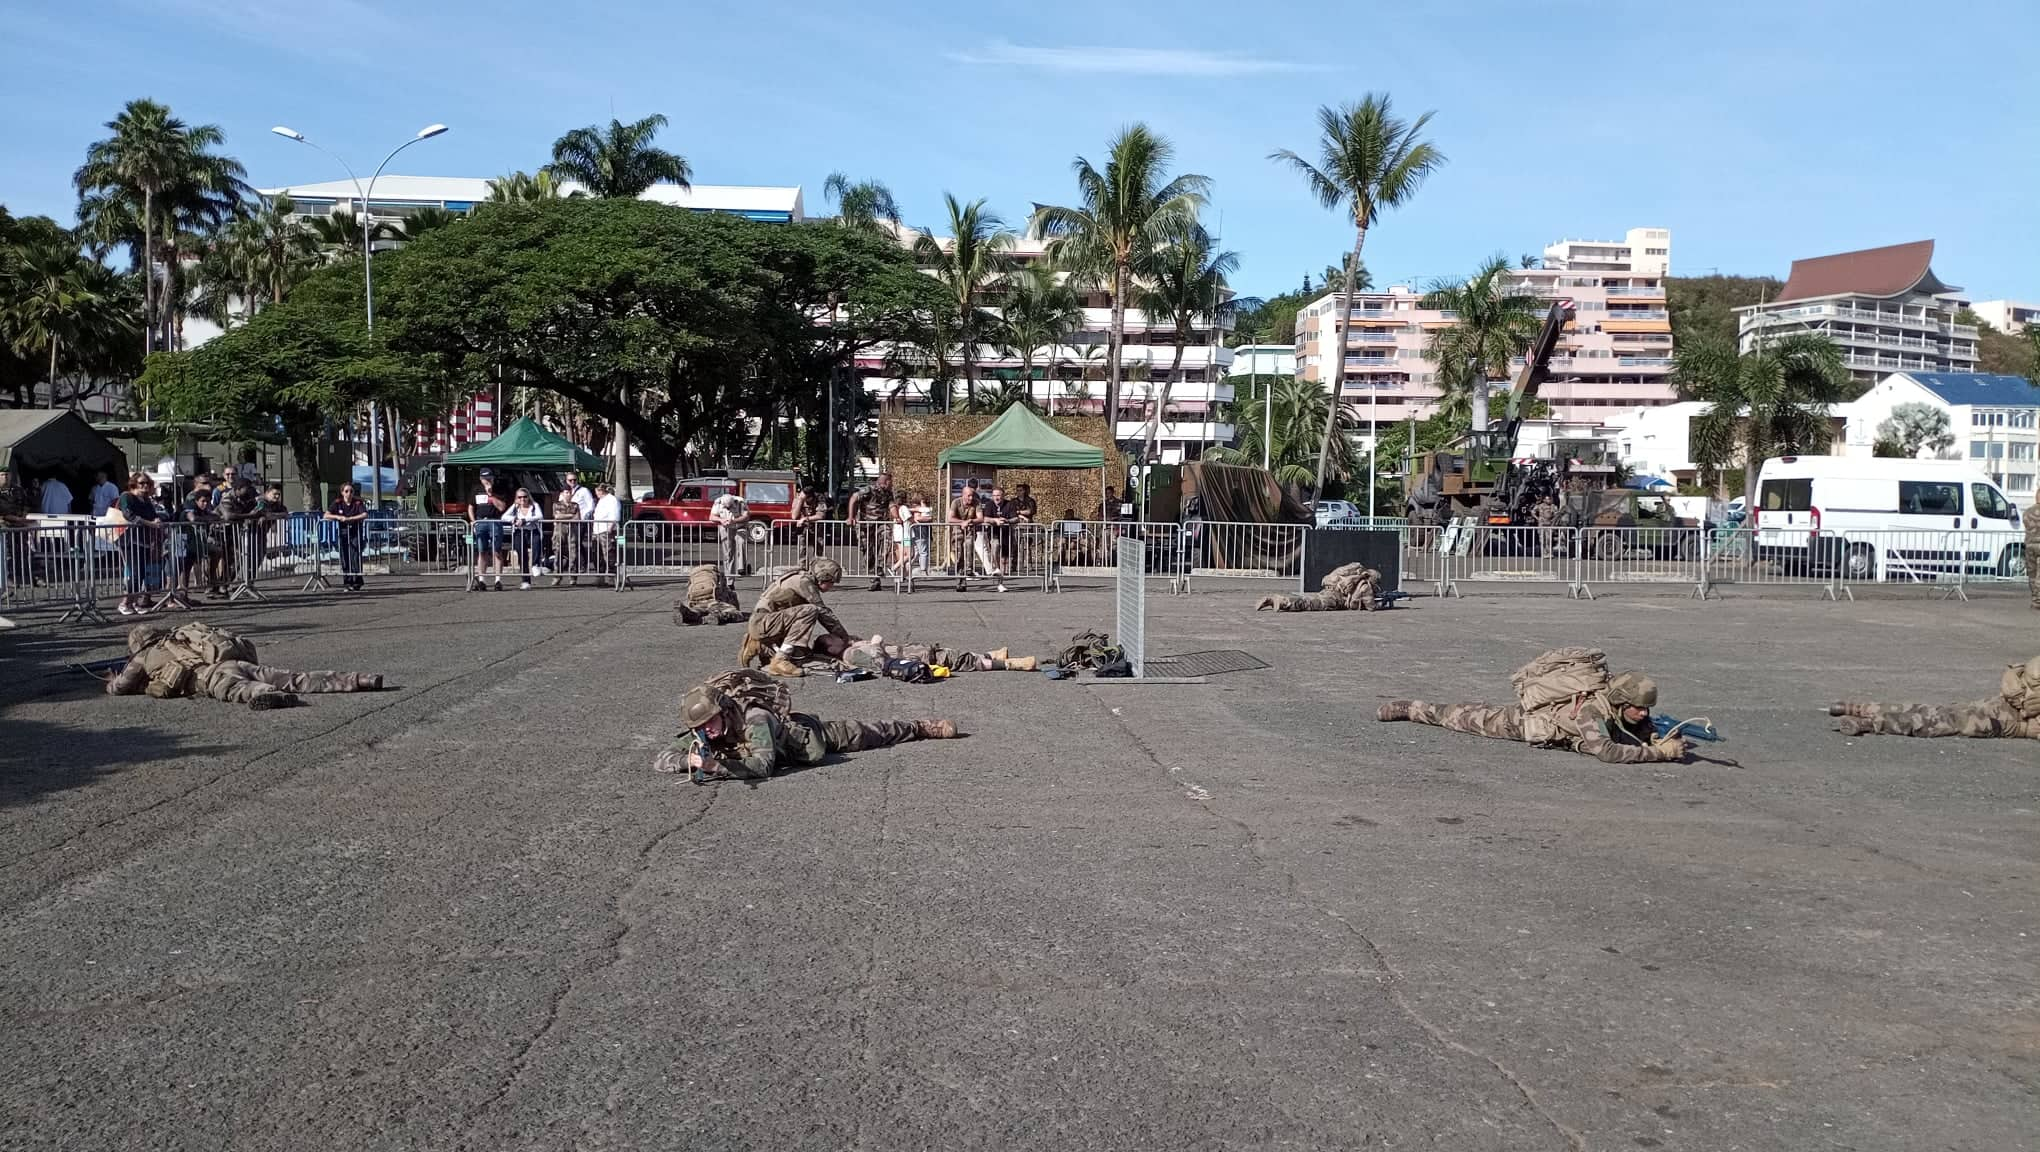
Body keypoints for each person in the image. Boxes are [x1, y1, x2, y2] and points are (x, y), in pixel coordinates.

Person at [652, 669, 961, 783]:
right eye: (701, 727)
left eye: (710, 722)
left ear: (724, 709)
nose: (707, 731)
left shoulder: (754, 718)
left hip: (807, 739)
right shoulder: (707, 731)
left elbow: (762, 766)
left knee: (871, 733)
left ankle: (921, 727)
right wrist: (688, 760)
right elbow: (661, 758)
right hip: (777, 751)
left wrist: (713, 766)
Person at [1377, 656, 1690, 764]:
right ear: (1621, 702)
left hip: (1535, 723)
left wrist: (1655, 737)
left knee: (1465, 711)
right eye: (1639, 709)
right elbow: (1607, 752)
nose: (1644, 715)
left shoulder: (1617, 709)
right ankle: (1411, 708)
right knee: (1456, 716)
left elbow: (1634, 730)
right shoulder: (1592, 712)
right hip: (1518, 725)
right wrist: (1660, 754)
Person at [106, 621, 384, 710]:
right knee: (294, 677)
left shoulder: (144, 656)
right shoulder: (182, 635)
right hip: (232, 661)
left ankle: (265, 694)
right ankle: (358, 679)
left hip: (209, 677)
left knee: (241, 690)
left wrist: (111, 681)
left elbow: (121, 687)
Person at [1827, 656, 2039, 740]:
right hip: (2003, 715)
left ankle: (1865, 714)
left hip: (2003, 716)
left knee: (1939, 716)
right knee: (1939, 717)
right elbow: (2022, 672)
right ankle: (1867, 715)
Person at [738, 558, 851, 677]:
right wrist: (845, 637)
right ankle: (781, 660)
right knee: (811, 610)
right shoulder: (803, 582)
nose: (832, 586)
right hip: (763, 623)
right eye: (832, 582)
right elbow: (824, 613)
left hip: (765, 623)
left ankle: (761, 646)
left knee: (801, 655)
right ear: (823, 577)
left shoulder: (802, 579)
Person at [812, 632, 1039, 674]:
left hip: (915, 651)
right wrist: (875, 644)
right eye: (830, 640)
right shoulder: (851, 656)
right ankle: (1013, 664)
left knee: (953, 653)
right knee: (962, 661)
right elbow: (878, 664)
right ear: (830, 650)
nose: (836, 638)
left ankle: (993, 654)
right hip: (913, 658)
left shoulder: (850, 646)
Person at [113, 471, 163, 615]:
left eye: (148, 483)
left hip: (144, 540)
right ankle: (125, 603)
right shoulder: (126, 496)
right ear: (134, 484)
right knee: (134, 573)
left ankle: (134, 602)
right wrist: (150, 523)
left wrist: (157, 520)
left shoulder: (147, 500)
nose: (145, 486)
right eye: (142, 483)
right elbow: (129, 515)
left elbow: (153, 515)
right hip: (129, 539)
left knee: (141, 574)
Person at [1256, 563, 1384, 612]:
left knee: (1310, 599)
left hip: (1329, 589)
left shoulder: (1354, 576)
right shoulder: (1364, 584)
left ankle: (1278, 600)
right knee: (1310, 604)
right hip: (1336, 598)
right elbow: (1370, 606)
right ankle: (1282, 602)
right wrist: (1379, 605)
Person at [846, 472, 896, 591]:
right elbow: (854, 498)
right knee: (868, 551)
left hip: (881, 523)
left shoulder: (889, 493)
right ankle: (874, 579)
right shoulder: (869, 490)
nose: (892, 484)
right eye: (891, 481)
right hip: (865, 524)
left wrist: (897, 517)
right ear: (886, 482)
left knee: (888, 538)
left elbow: (892, 505)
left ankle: (880, 565)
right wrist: (850, 517)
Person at [325, 482, 370, 591]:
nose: (349, 493)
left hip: (355, 532)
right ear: (342, 493)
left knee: (355, 557)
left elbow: (364, 514)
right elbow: (326, 515)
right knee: (345, 558)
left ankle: (357, 582)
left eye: (351, 491)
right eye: (346, 491)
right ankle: (347, 582)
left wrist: (351, 519)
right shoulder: (337, 503)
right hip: (343, 533)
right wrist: (338, 517)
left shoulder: (358, 503)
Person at [468, 469, 507, 591]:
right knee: (481, 551)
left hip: (494, 521)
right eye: (485, 478)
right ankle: (481, 580)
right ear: (481, 479)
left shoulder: (499, 490)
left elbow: (502, 507)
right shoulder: (476, 490)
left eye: (489, 478)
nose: (487, 480)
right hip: (480, 522)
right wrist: (473, 521)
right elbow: (470, 507)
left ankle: (498, 580)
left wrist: (491, 495)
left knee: (497, 551)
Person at [674, 563, 747, 626]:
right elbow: (735, 605)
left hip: (698, 602)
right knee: (736, 613)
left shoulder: (694, 578)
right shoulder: (720, 577)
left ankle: (690, 613)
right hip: (714, 602)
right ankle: (718, 616)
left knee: (698, 611)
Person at [504, 488, 546, 590]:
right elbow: (504, 517)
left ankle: (535, 564)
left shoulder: (534, 505)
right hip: (519, 532)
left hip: (532, 530)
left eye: (525, 496)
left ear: (528, 497)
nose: (522, 499)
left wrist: (525, 519)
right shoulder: (515, 507)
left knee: (536, 545)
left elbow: (540, 516)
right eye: (520, 497)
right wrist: (514, 519)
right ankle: (525, 581)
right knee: (522, 556)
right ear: (517, 498)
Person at [948, 480, 983, 591]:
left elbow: (980, 518)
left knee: (969, 546)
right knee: (959, 556)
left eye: (972, 496)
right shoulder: (956, 502)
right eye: (968, 496)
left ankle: (969, 569)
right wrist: (961, 522)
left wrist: (970, 521)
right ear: (963, 495)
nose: (970, 498)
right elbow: (950, 518)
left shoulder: (976, 503)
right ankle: (960, 582)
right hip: (957, 532)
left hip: (969, 532)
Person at [711, 487, 751, 579]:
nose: (728, 509)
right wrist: (721, 520)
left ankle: (741, 568)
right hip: (726, 528)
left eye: (730, 507)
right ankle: (729, 579)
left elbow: (746, 516)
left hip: (740, 527)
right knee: (728, 554)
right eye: (726, 507)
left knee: (741, 542)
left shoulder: (740, 502)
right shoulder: (718, 502)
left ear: (733, 502)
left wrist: (734, 520)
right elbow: (712, 517)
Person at [547, 485, 580, 585]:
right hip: (559, 531)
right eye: (566, 492)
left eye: (569, 492)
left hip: (572, 531)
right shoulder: (556, 504)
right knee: (558, 553)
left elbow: (577, 518)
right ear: (562, 494)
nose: (568, 494)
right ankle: (557, 577)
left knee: (573, 554)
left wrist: (565, 517)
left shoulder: (575, 505)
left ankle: (573, 577)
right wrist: (570, 515)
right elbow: (557, 516)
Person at [591, 482, 622, 586]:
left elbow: (615, 514)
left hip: (606, 530)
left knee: (609, 554)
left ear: (601, 491)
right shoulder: (601, 501)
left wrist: (611, 527)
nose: (596, 494)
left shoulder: (612, 500)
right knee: (597, 555)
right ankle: (600, 576)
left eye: (597, 491)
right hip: (597, 530)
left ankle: (612, 576)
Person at [788, 485, 826, 564]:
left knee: (819, 550)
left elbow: (820, 515)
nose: (804, 500)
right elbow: (794, 516)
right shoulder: (799, 498)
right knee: (802, 550)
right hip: (803, 528)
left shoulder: (820, 498)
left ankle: (817, 568)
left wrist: (805, 519)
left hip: (817, 527)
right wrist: (800, 500)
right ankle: (802, 567)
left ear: (811, 497)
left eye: (805, 498)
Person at [1532, 494, 1562, 559]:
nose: (1549, 500)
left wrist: (1553, 520)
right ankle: (1543, 553)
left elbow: (1557, 514)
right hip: (1541, 524)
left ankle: (1550, 553)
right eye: (1547, 499)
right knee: (1542, 539)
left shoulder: (1553, 506)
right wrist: (1537, 518)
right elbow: (1533, 512)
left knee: (1549, 539)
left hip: (1549, 524)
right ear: (1544, 500)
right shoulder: (1540, 506)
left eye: (1549, 499)